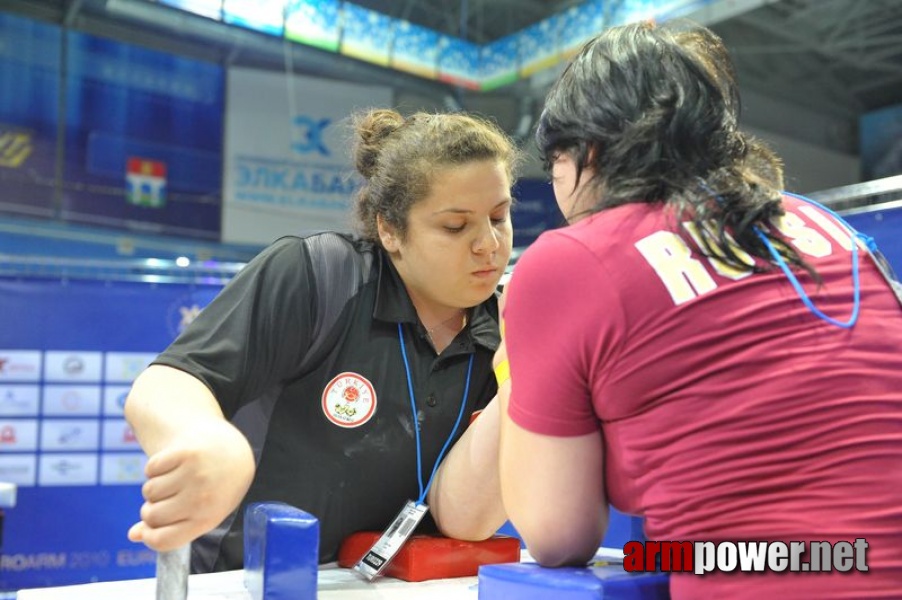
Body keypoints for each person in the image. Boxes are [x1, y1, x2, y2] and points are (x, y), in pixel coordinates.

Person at [497, 20, 902, 599]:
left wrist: (514, 354)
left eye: (554, 166)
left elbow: (558, 535)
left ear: (583, 152)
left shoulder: (569, 260)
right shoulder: (820, 224)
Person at [125, 108, 519, 572]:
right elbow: (166, 384)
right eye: (456, 226)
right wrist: (208, 441)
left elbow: (466, 517)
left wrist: (528, 364)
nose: (489, 244)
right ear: (389, 229)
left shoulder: (507, 331)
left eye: (499, 215)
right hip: (244, 582)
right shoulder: (317, 274)